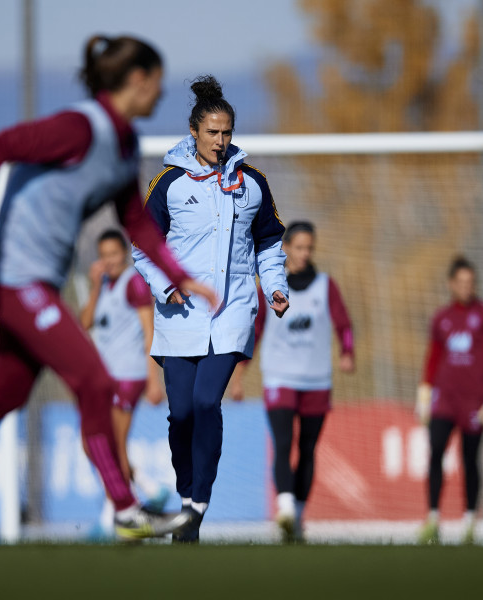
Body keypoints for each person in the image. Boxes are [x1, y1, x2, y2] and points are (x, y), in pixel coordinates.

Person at [0, 35, 220, 545]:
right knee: (94, 381)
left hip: (35, 283)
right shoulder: (77, 128)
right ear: (137, 81)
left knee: (6, 393)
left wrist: (179, 277)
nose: (162, 95)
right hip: (10, 278)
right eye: (158, 83)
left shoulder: (125, 145)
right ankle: (125, 510)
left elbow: (134, 219)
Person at [133, 75, 289, 543]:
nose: (221, 142)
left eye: (227, 133)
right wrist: (165, 286)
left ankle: (198, 504)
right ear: (194, 131)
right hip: (179, 316)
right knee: (180, 413)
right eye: (212, 133)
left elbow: (269, 243)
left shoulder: (252, 183)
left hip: (234, 311)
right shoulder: (168, 183)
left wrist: (275, 287)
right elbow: (143, 247)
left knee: (206, 403)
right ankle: (186, 498)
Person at [232, 221, 354, 543]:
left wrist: (348, 352)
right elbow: (253, 333)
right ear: (285, 248)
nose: (304, 253)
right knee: (283, 444)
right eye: (299, 247)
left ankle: (297, 517)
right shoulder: (269, 287)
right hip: (280, 378)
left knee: (308, 449)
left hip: (316, 381)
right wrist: (239, 376)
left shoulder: (326, 287)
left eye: (309, 248)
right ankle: (284, 511)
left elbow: (345, 324)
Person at [79, 229, 170, 533]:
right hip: (106, 379)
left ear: (125, 254)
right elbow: (84, 323)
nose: (110, 261)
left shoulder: (134, 284)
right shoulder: (103, 285)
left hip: (129, 375)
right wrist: (94, 288)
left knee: (112, 444)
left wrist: (154, 380)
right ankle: (149, 486)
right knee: (91, 445)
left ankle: (111, 517)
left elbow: (149, 331)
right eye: (104, 255)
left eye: (114, 254)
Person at [415, 255, 483, 545]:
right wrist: (424, 393)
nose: (466, 287)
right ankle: (432, 519)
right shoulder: (441, 318)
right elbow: (433, 359)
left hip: (474, 401)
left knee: (470, 458)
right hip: (444, 399)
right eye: (461, 282)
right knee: (436, 450)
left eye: (471, 282)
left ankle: (468, 522)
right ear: (451, 284)